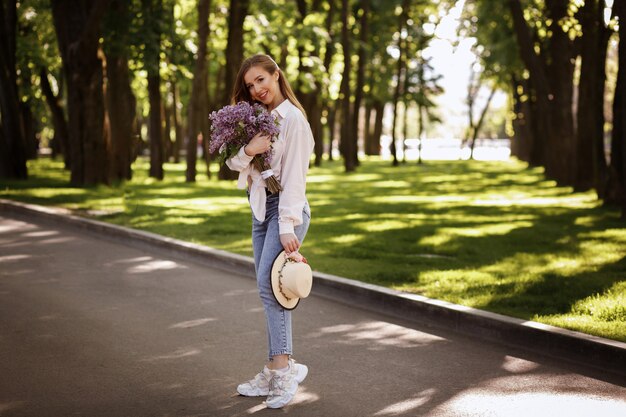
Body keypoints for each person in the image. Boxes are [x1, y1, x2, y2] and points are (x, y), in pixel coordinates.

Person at [225, 54, 314, 409]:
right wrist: (250, 148)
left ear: (277, 75)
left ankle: (282, 370)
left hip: (284, 213)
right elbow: (233, 161)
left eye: (261, 79)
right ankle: (276, 365)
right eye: (250, 84)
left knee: (271, 288)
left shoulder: (293, 120)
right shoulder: (255, 119)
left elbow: (295, 177)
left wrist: (287, 224)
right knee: (268, 289)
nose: (257, 89)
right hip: (261, 210)